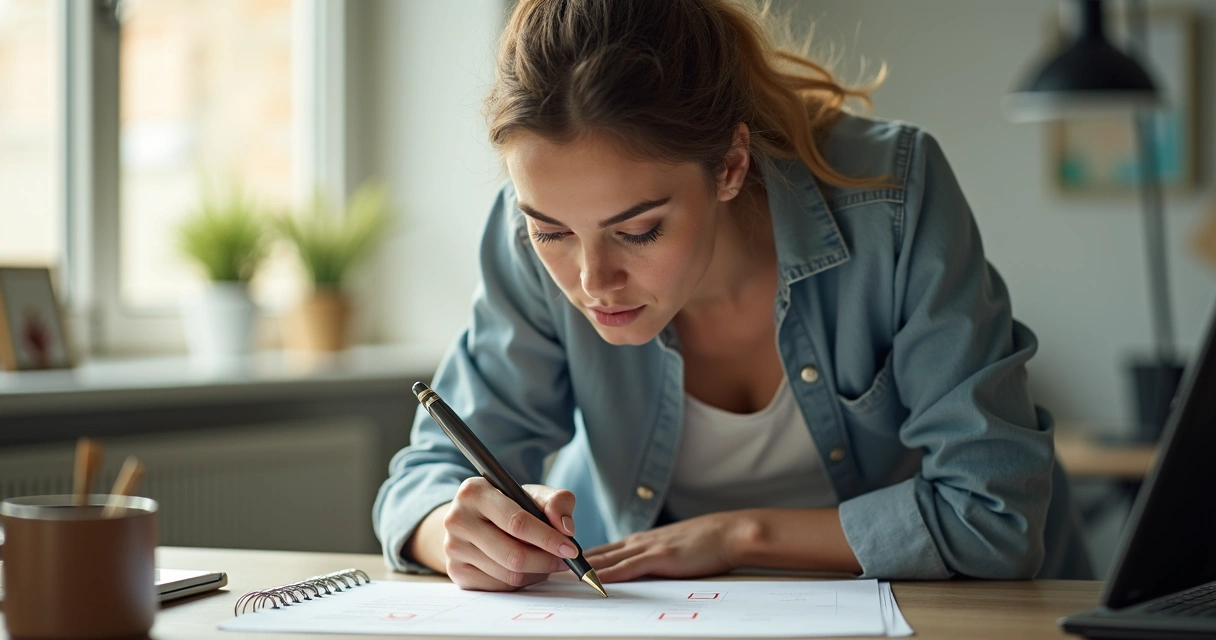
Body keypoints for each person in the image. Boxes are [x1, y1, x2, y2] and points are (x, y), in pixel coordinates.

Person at [373, 0, 1093, 591]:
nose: (592, 281)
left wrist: (737, 536)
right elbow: (425, 481)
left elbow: (994, 514)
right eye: (551, 231)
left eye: (640, 230)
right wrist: (450, 529)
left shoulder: (892, 198)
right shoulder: (520, 238)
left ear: (730, 165)